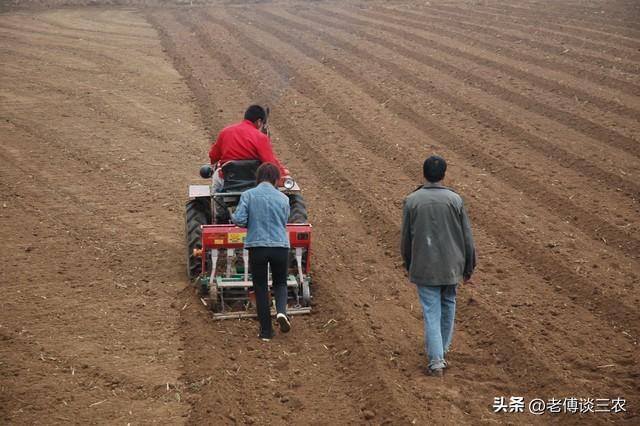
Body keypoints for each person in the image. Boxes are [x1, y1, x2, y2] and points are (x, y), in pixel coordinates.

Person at [400, 155, 476, 377]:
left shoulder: (412, 201)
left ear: (424, 174)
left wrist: (408, 262)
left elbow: (406, 237)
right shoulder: (455, 200)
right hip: (452, 266)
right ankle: (441, 350)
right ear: (443, 175)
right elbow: (467, 237)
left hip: (424, 266)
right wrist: (469, 266)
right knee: (448, 305)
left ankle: (436, 360)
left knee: (431, 311)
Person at [232, 163, 291, 341]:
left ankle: (266, 332)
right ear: (275, 179)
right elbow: (285, 220)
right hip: (280, 246)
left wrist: (237, 218)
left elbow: (240, 220)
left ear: (258, 178)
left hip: (257, 246)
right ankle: (281, 312)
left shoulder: (248, 195)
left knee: (260, 287)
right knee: (280, 283)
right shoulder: (284, 199)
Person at [209, 105, 288, 191]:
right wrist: (282, 175)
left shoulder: (225, 132)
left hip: (228, 180)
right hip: (254, 183)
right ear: (259, 121)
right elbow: (270, 163)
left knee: (216, 181)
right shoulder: (261, 137)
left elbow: (213, 156)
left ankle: (216, 203)